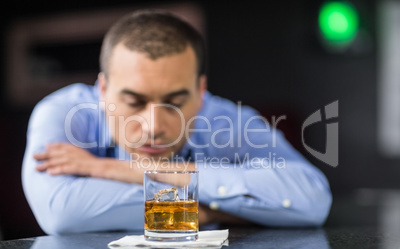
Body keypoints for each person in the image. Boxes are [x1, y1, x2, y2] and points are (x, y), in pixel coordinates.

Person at [22, 9, 332, 235]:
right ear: (102, 90)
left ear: (200, 92)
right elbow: (63, 213)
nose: (154, 125)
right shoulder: (61, 112)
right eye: (134, 101)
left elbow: (311, 199)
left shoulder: (225, 120)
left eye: (174, 102)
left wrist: (125, 169)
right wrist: (205, 211)